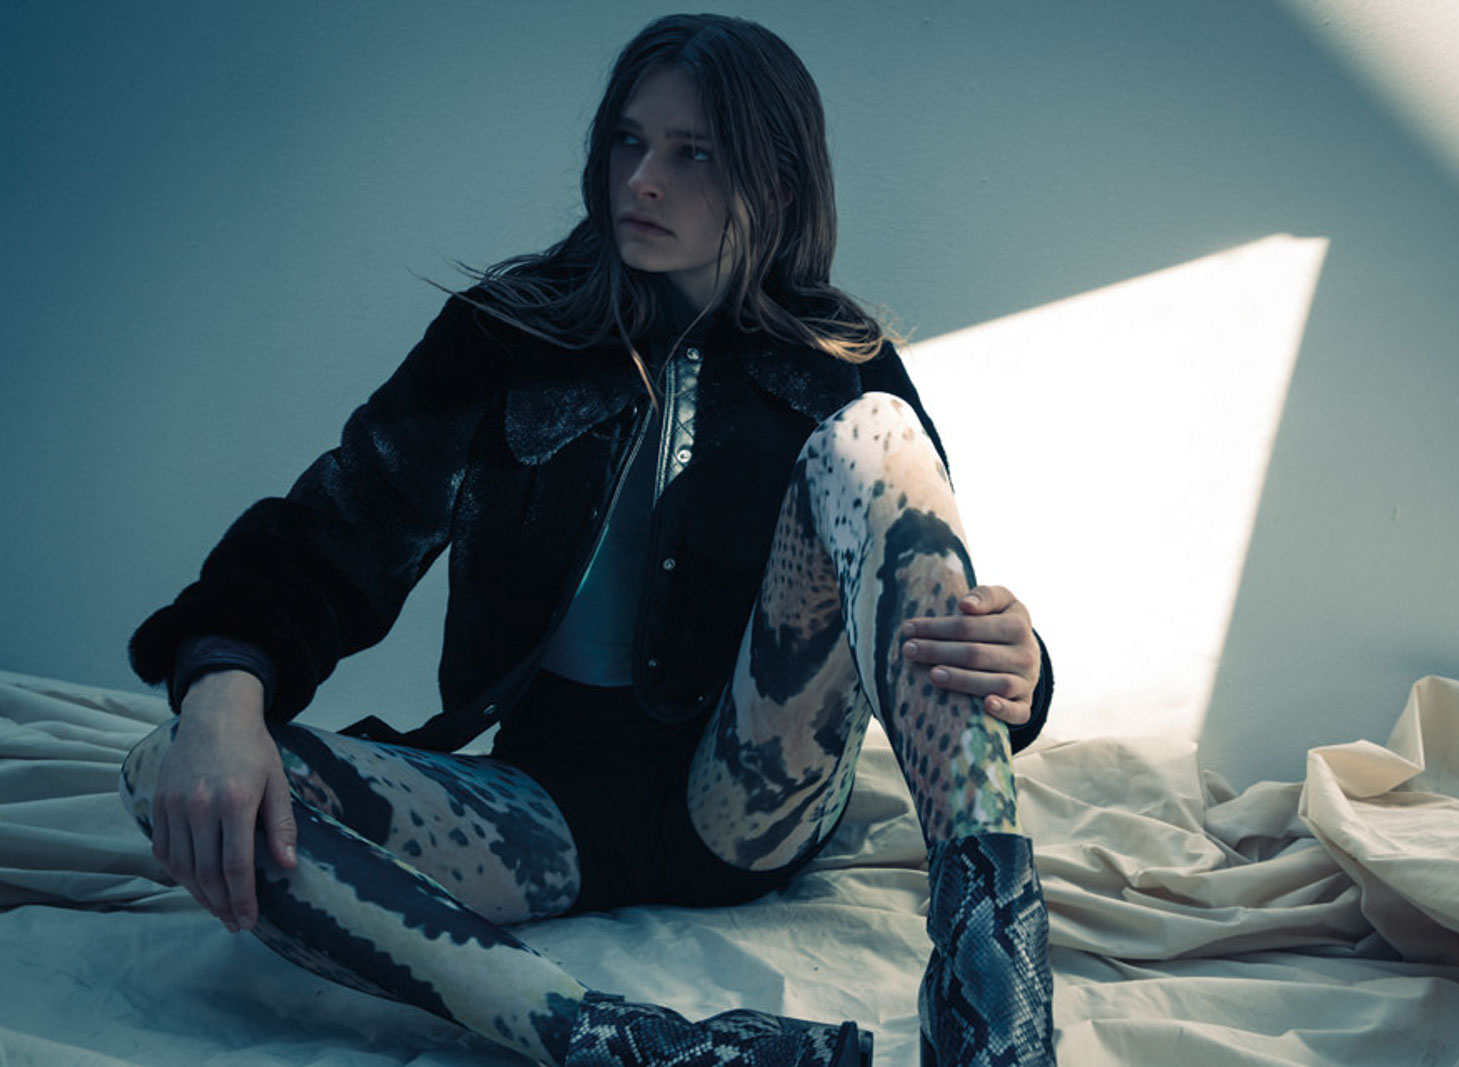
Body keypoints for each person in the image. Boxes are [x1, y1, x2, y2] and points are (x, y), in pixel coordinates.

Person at [118, 13, 1055, 1067]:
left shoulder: (840, 360)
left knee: (876, 434)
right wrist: (222, 690)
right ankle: (620, 1039)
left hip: (751, 793)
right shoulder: (505, 334)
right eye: (628, 141)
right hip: (539, 810)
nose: (641, 181)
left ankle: (993, 998)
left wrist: (1019, 665)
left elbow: (921, 596)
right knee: (165, 772)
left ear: (776, 182)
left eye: (692, 153)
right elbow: (336, 529)